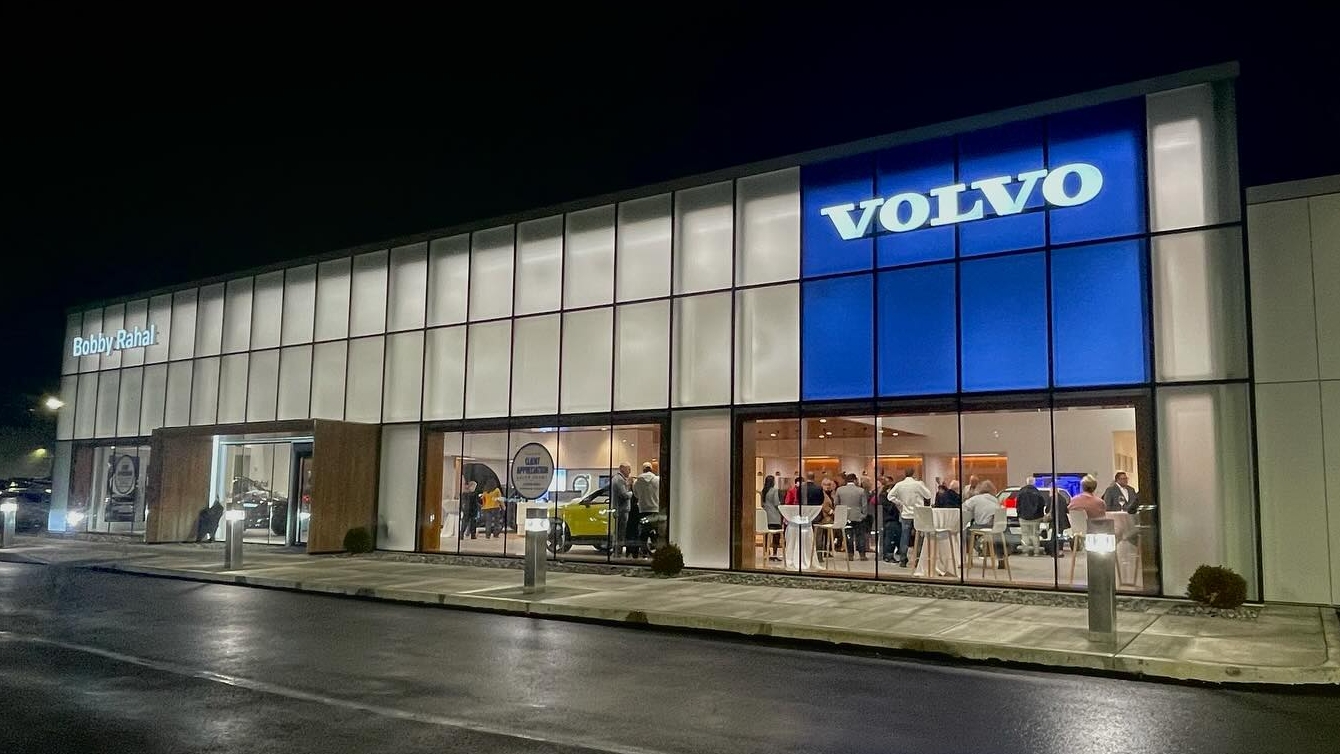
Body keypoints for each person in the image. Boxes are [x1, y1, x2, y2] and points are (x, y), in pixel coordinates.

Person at [888, 469, 932, 566]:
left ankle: (903, 559)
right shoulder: (918, 484)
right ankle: (917, 559)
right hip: (918, 513)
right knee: (918, 536)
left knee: (905, 536)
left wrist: (899, 503)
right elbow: (928, 495)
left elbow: (890, 496)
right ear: (914, 474)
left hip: (905, 513)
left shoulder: (899, 485)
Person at [962, 480, 1005, 568]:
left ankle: (973, 555)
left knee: (966, 533)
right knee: (996, 535)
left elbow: (964, 506)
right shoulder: (995, 499)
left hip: (983, 525)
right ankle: (1001, 558)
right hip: (996, 527)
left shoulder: (976, 498)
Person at [834, 473, 870, 561]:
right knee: (860, 536)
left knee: (848, 536)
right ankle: (862, 555)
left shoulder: (839, 490)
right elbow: (864, 505)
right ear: (855, 480)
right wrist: (863, 515)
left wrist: (840, 514)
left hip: (845, 516)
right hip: (858, 516)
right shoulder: (861, 491)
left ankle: (850, 555)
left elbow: (836, 503)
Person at [631, 463, 661, 557]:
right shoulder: (658, 480)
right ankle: (657, 551)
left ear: (643, 470)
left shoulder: (637, 482)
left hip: (643, 510)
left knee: (644, 532)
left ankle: (644, 552)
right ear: (651, 469)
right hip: (655, 510)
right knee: (656, 532)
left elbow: (636, 495)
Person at [1015, 477, 1048, 556]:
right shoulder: (1037, 492)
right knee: (1035, 534)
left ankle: (1025, 551)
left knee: (1025, 534)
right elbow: (1042, 504)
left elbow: (1017, 504)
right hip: (1035, 517)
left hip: (1023, 517)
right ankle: (1036, 552)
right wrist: (1040, 515)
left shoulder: (1021, 492)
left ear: (1026, 482)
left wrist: (1019, 514)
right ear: (1034, 483)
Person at [611, 462, 634, 555]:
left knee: (617, 532)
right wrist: (631, 492)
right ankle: (618, 552)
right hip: (622, 510)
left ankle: (616, 551)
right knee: (620, 533)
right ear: (622, 468)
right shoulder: (620, 480)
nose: (630, 471)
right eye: (628, 469)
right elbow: (624, 495)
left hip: (618, 509)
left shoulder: (616, 478)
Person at [760, 474, 783, 561]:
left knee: (767, 536)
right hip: (775, 517)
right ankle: (774, 554)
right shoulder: (775, 490)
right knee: (776, 536)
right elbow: (776, 503)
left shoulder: (763, 491)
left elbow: (762, 504)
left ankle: (767, 553)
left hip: (766, 517)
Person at [878, 475, 900, 563]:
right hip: (890, 519)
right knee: (890, 537)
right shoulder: (887, 497)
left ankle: (887, 555)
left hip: (887, 519)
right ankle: (888, 555)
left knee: (888, 537)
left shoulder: (882, 495)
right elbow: (890, 508)